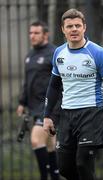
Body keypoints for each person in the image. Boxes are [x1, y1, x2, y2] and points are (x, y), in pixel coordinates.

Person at [43, 8, 103, 180]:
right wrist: (47, 116)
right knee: (65, 168)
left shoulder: (99, 53)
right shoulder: (59, 53)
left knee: (83, 163)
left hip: (91, 114)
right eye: (70, 26)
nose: (74, 29)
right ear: (63, 30)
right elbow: (53, 86)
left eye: (77, 26)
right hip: (66, 115)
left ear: (84, 28)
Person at [16, 21, 60, 180]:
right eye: (30, 33)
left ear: (45, 35)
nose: (32, 36)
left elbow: (60, 81)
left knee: (36, 140)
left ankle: (44, 177)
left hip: (48, 107)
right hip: (34, 107)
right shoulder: (30, 55)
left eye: (36, 33)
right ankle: (54, 176)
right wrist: (22, 102)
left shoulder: (54, 53)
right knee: (49, 145)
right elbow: (27, 81)